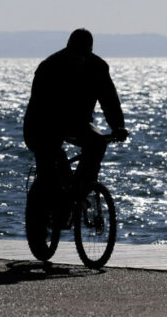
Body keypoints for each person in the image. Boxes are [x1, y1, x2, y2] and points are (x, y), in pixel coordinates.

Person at [23, 29, 128, 224]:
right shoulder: (49, 66)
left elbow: (110, 100)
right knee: (49, 167)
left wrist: (118, 127)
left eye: (83, 54)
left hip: (77, 123)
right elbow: (39, 105)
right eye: (75, 54)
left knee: (98, 143)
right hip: (42, 123)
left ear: (90, 51)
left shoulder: (98, 67)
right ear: (68, 48)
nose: (79, 59)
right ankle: (46, 212)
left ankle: (79, 192)